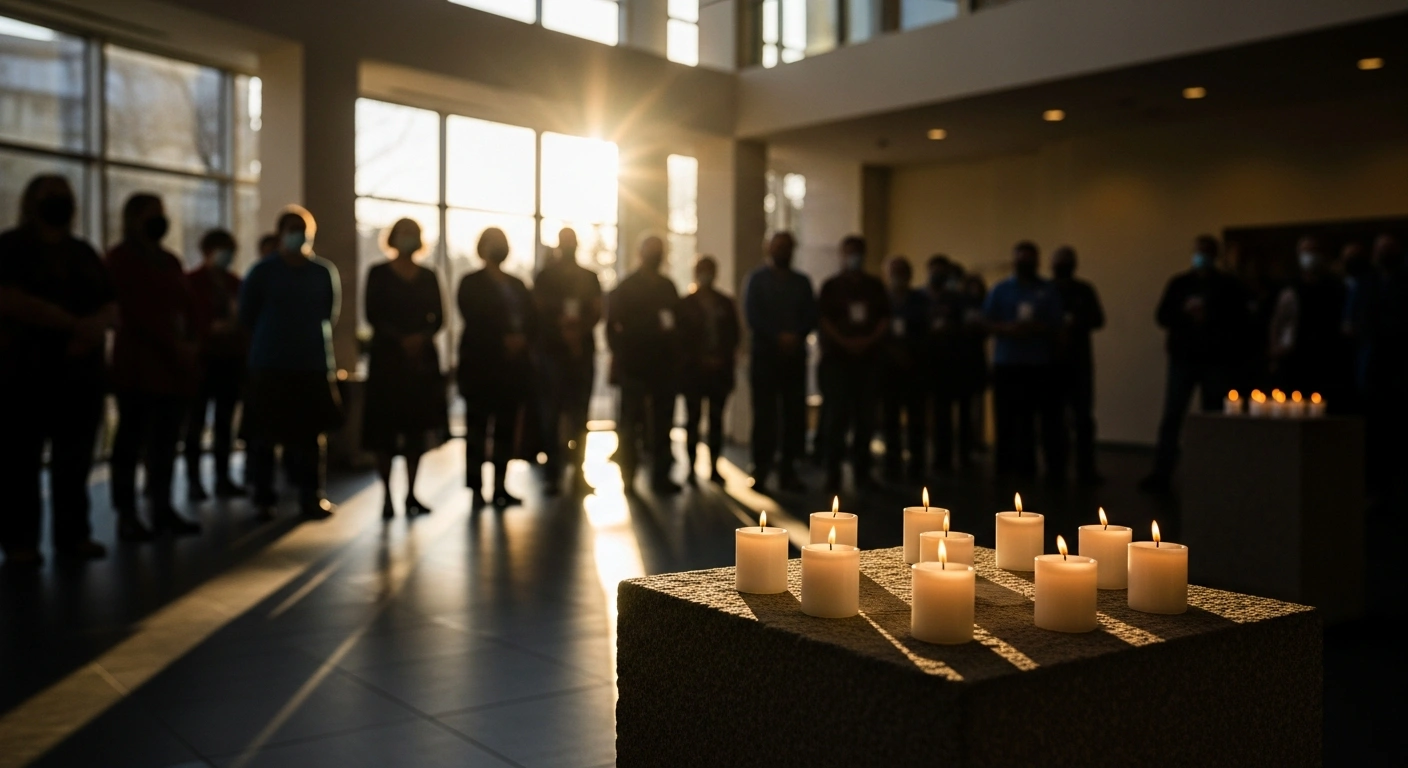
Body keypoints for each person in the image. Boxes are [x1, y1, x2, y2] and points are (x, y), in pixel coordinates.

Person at [0, 175, 116, 565]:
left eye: (64, 195)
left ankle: (74, 535)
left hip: (80, 377)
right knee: (20, 464)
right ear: (32, 201)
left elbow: (110, 304)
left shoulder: (83, 252)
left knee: (74, 462)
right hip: (24, 375)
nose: (60, 202)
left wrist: (95, 327)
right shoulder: (12, 247)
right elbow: (10, 299)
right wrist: (71, 324)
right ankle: (20, 543)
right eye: (52, 196)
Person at [107, 193, 202, 538]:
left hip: (172, 371)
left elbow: (188, 307)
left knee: (164, 445)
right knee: (130, 445)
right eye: (152, 214)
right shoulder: (120, 260)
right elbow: (133, 311)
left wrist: (190, 343)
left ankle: (162, 509)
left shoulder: (170, 262)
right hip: (138, 367)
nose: (159, 220)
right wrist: (174, 343)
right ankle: (127, 514)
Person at [240, 207, 343, 520]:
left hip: (311, 364)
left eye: (302, 228)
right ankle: (263, 497)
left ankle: (312, 495)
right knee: (264, 436)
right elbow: (248, 314)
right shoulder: (262, 272)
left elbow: (329, 314)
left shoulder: (322, 272)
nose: (297, 234)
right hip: (270, 364)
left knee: (311, 437)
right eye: (291, 228)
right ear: (280, 232)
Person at [1140, 235, 1249, 493]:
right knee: (1173, 415)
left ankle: (1214, 471)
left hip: (1216, 360)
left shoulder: (1228, 286)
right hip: (1184, 358)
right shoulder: (1180, 284)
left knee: (1214, 417)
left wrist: (1209, 316)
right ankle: (1162, 473)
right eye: (1199, 252)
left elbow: (1240, 321)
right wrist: (1185, 314)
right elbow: (1162, 315)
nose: (1202, 257)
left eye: (1207, 252)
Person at [363, 219, 448, 519]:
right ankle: (387, 493)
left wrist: (419, 339)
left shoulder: (428, 276)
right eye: (404, 234)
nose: (408, 239)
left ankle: (411, 492)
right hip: (388, 362)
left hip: (419, 365)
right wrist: (400, 339)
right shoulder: (378, 274)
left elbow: (438, 317)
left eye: (414, 233)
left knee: (416, 430)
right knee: (384, 430)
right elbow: (373, 313)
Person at [457, 227, 535, 508]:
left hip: (511, 370)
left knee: (505, 429)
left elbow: (532, 319)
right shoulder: (470, 282)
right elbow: (474, 319)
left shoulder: (517, 284)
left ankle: (501, 486)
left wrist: (521, 341)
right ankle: (477, 489)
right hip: (480, 368)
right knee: (477, 430)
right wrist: (502, 340)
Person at [982, 241, 1066, 482]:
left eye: (1029, 259)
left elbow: (1057, 324)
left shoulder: (1047, 290)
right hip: (1007, 362)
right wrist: (1007, 328)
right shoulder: (1001, 289)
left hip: (1038, 364)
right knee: (1006, 417)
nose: (1025, 264)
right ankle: (1004, 467)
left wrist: (1039, 328)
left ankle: (1031, 467)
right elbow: (986, 321)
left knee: (1035, 419)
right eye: (1021, 259)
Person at [606, 235, 681, 494]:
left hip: (663, 369)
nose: (656, 256)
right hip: (634, 367)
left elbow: (677, 325)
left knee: (663, 424)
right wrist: (624, 355)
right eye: (652, 251)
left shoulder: (667, 287)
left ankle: (661, 476)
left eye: (659, 251)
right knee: (630, 424)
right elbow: (612, 327)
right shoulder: (626, 287)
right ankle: (628, 477)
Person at [743, 232, 816, 492]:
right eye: (777, 247)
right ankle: (760, 469)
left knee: (793, 416)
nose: (782, 251)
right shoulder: (756, 280)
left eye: (786, 247)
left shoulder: (802, 282)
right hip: (765, 359)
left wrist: (795, 336)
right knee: (765, 417)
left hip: (794, 360)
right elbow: (753, 316)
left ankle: (789, 471)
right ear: (768, 249)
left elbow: (811, 315)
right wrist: (778, 336)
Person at [817, 235, 890, 493]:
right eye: (849, 252)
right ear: (841, 254)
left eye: (857, 252)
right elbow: (823, 320)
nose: (853, 257)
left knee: (865, 420)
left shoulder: (874, 287)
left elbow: (884, 319)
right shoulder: (831, 287)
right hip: (837, 364)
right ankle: (832, 473)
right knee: (836, 419)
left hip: (868, 365)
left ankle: (863, 473)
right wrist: (846, 343)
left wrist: (867, 341)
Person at [532, 227, 602, 496]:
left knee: (580, 416)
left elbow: (597, 311)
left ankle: (578, 472)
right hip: (552, 355)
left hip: (581, 355)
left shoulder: (589, 277)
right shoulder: (545, 277)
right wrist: (563, 333)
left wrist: (577, 334)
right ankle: (553, 473)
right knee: (550, 415)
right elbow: (538, 311)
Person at [184, 229, 247, 501]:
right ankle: (194, 481)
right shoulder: (191, 283)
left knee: (224, 423)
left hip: (229, 360)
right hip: (201, 361)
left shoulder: (235, 283)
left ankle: (222, 478)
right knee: (195, 423)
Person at [678, 255, 740, 485]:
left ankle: (714, 466)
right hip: (694, 373)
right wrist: (699, 359)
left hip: (719, 373)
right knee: (692, 421)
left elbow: (734, 336)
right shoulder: (686, 305)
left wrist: (720, 359)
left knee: (716, 420)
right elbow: (681, 339)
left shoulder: (725, 303)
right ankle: (691, 468)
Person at [1268, 236, 1348, 404]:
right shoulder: (1289, 287)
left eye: (1313, 251)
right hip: (1293, 357)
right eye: (1305, 252)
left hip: (1325, 359)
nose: (1309, 256)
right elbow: (1278, 320)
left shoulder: (1335, 287)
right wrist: (1275, 348)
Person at [1050, 246, 1106, 484]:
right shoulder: (1046, 290)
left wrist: (1076, 322)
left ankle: (1086, 469)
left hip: (1078, 363)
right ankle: (1056, 469)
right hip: (1052, 363)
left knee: (1083, 418)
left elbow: (1098, 319)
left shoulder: (1084, 290)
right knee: (1054, 418)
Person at [878, 256, 929, 482]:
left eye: (901, 270)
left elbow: (928, 331)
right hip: (888, 370)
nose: (897, 275)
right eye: (893, 270)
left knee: (917, 419)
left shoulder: (920, 300)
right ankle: (892, 466)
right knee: (890, 419)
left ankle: (917, 466)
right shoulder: (880, 301)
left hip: (916, 368)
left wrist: (911, 353)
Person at [923, 255, 964, 472]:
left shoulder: (955, 299)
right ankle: (918, 460)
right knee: (920, 412)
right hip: (922, 363)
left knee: (944, 414)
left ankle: (943, 460)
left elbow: (963, 328)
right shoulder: (919, 298)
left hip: (948, 364)